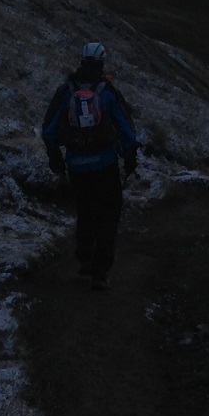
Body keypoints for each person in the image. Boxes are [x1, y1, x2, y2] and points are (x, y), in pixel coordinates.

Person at [41, 42, 139, 291]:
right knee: (109, 213)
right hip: (105, 163)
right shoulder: (108, 91)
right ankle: (100, 271)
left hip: (76, 164)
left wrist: (55, 157)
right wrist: (129, 157)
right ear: (102, 62)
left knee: (85, 208)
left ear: (82, 60)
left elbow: (49, 129)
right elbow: (127, 130)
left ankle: (85, 254)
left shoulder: (66, 91)